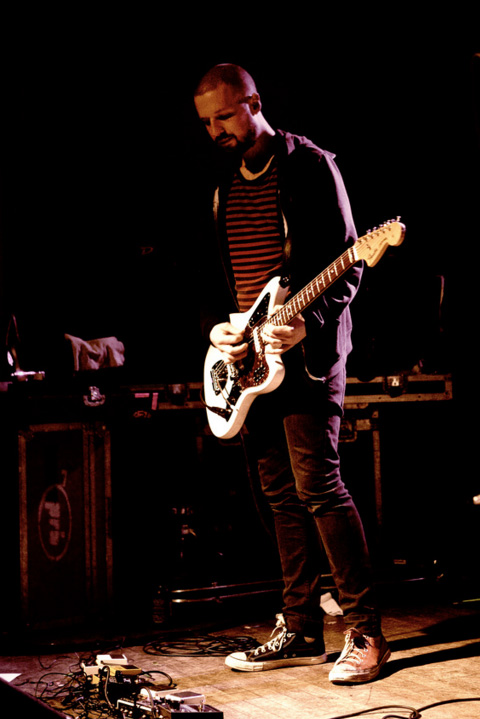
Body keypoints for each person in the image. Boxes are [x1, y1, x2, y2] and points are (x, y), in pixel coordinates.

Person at [193, 63, 390, 684]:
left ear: (254, 103)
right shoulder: (223, 186)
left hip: (308, 354)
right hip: (250, 359)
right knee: (278, 495)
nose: (217, 131)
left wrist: (310, 323)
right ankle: (300, 627)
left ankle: (366, 632)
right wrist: (219, 330)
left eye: (225, 116)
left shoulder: (309, 166)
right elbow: (220, 277)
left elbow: (350, 264)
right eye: (207, 123)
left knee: (319, 486)